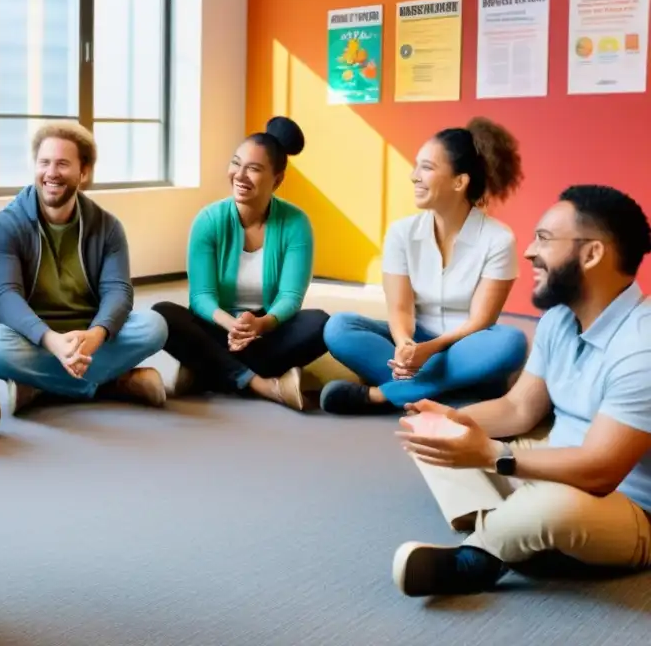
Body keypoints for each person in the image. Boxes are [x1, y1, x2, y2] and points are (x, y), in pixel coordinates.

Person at [393, 185, 651, 597]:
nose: (529, 252)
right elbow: (519, 408)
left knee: (557, 507)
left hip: (625, 505)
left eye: (544, 239)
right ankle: (515, 533)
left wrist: (495, 456)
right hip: (549, 465)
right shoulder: (559, 321)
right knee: (437, 434)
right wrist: (453, 421)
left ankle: (477, 557)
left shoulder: (644, 345)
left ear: (592, 253)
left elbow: (601, 470)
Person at [320, 117, 529, 414]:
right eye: (417, 166)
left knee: (511, 342)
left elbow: (480, 322)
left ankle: (382, 396)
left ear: (460, 181)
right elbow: (400, 309)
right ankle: (454, 394)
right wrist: (406, 344)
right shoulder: (401, 233)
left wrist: (429, 350)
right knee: (339, 327)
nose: (414, 176)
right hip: (419, 343)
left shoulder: (498, 239)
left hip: (467, 347)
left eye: (427, 168)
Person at [0, 121, 168, 414]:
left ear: (83, 172)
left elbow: (118, 291)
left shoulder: (107, 227)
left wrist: (97, 334)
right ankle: (110, 383)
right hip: (32, 335)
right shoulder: (5, 225)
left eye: (62, 164)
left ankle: (40, 385)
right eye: (44, 162)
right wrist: (52, 341)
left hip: (89, 331)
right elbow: (5, 297)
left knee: (155, 326)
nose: (51, 173)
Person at [152, 117, 329, 411]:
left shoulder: (296, 223)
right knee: (163, 315)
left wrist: (260, 324)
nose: (240, 175)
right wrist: (231, 324)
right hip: (218, 325)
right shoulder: (208, 221)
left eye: (254, 169)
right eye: (236, 163)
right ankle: (264, 384)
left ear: (277, 179)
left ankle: (206, 370)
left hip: (266, 329)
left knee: (321, 323)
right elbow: (201, 298)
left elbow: (290, 297)